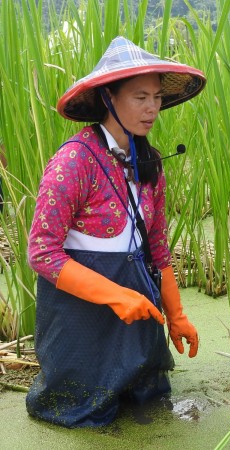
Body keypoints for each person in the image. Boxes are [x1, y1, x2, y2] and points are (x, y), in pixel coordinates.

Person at [26, 36, 207, 428]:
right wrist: (114, 296)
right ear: (108, 98)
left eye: (157, 97)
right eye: (140, 97)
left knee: (149, 407)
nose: (152, 108)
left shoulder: (150, 162)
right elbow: (42, 252)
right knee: (87, 412)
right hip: (81, 322)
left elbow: (157, 248)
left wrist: (176, 315)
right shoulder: (74, 160)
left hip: (138, 313)